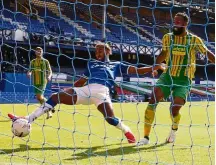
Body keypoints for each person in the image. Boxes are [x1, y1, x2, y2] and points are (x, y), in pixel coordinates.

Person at [8, 43, 165, 143]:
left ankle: (127, 131)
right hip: (86, 90)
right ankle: (26, 119)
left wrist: (156, 67)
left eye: (100, 50)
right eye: (96, 50)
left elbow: (137, 70)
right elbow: (81, 82)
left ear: (108, 51)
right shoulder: (91, 64)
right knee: (56, 96)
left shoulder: (117, 64)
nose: (97, 52)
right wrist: (70, 90)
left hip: (102, 92)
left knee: (110, 119)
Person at [137, 12, 215, 146]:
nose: (175, 23)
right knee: (152, 100)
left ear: (185, 24)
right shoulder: (167, 37)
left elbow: (207, 53)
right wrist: (155, 66)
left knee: (175, 109)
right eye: (174, 20)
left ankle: (173, 130)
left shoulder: (194, 39)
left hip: (184, 79)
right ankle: (145, 138)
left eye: (178, 21)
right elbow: (164, 53)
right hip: (167, 76)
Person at [27, 47, 53, 119]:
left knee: (39, 96)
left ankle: (51, 105)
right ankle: (49, 112)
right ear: (35, 52)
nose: (39, 52)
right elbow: (30, 70)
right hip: (35, 82)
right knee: (39, 99)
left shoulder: (45, 61)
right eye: (37, 51)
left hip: (43, 81)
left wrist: (49, 76)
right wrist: (29, 73)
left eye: (40, 51)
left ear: (42, 52)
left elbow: (50, 71)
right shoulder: (32, 62)